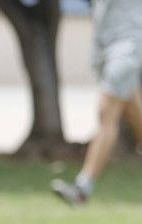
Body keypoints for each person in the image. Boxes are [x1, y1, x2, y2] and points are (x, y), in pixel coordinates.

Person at [52, 0, 142, 205]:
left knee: (106, 112)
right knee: (135, 114)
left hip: (128, 43)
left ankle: (82, 188)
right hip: (104, 46)